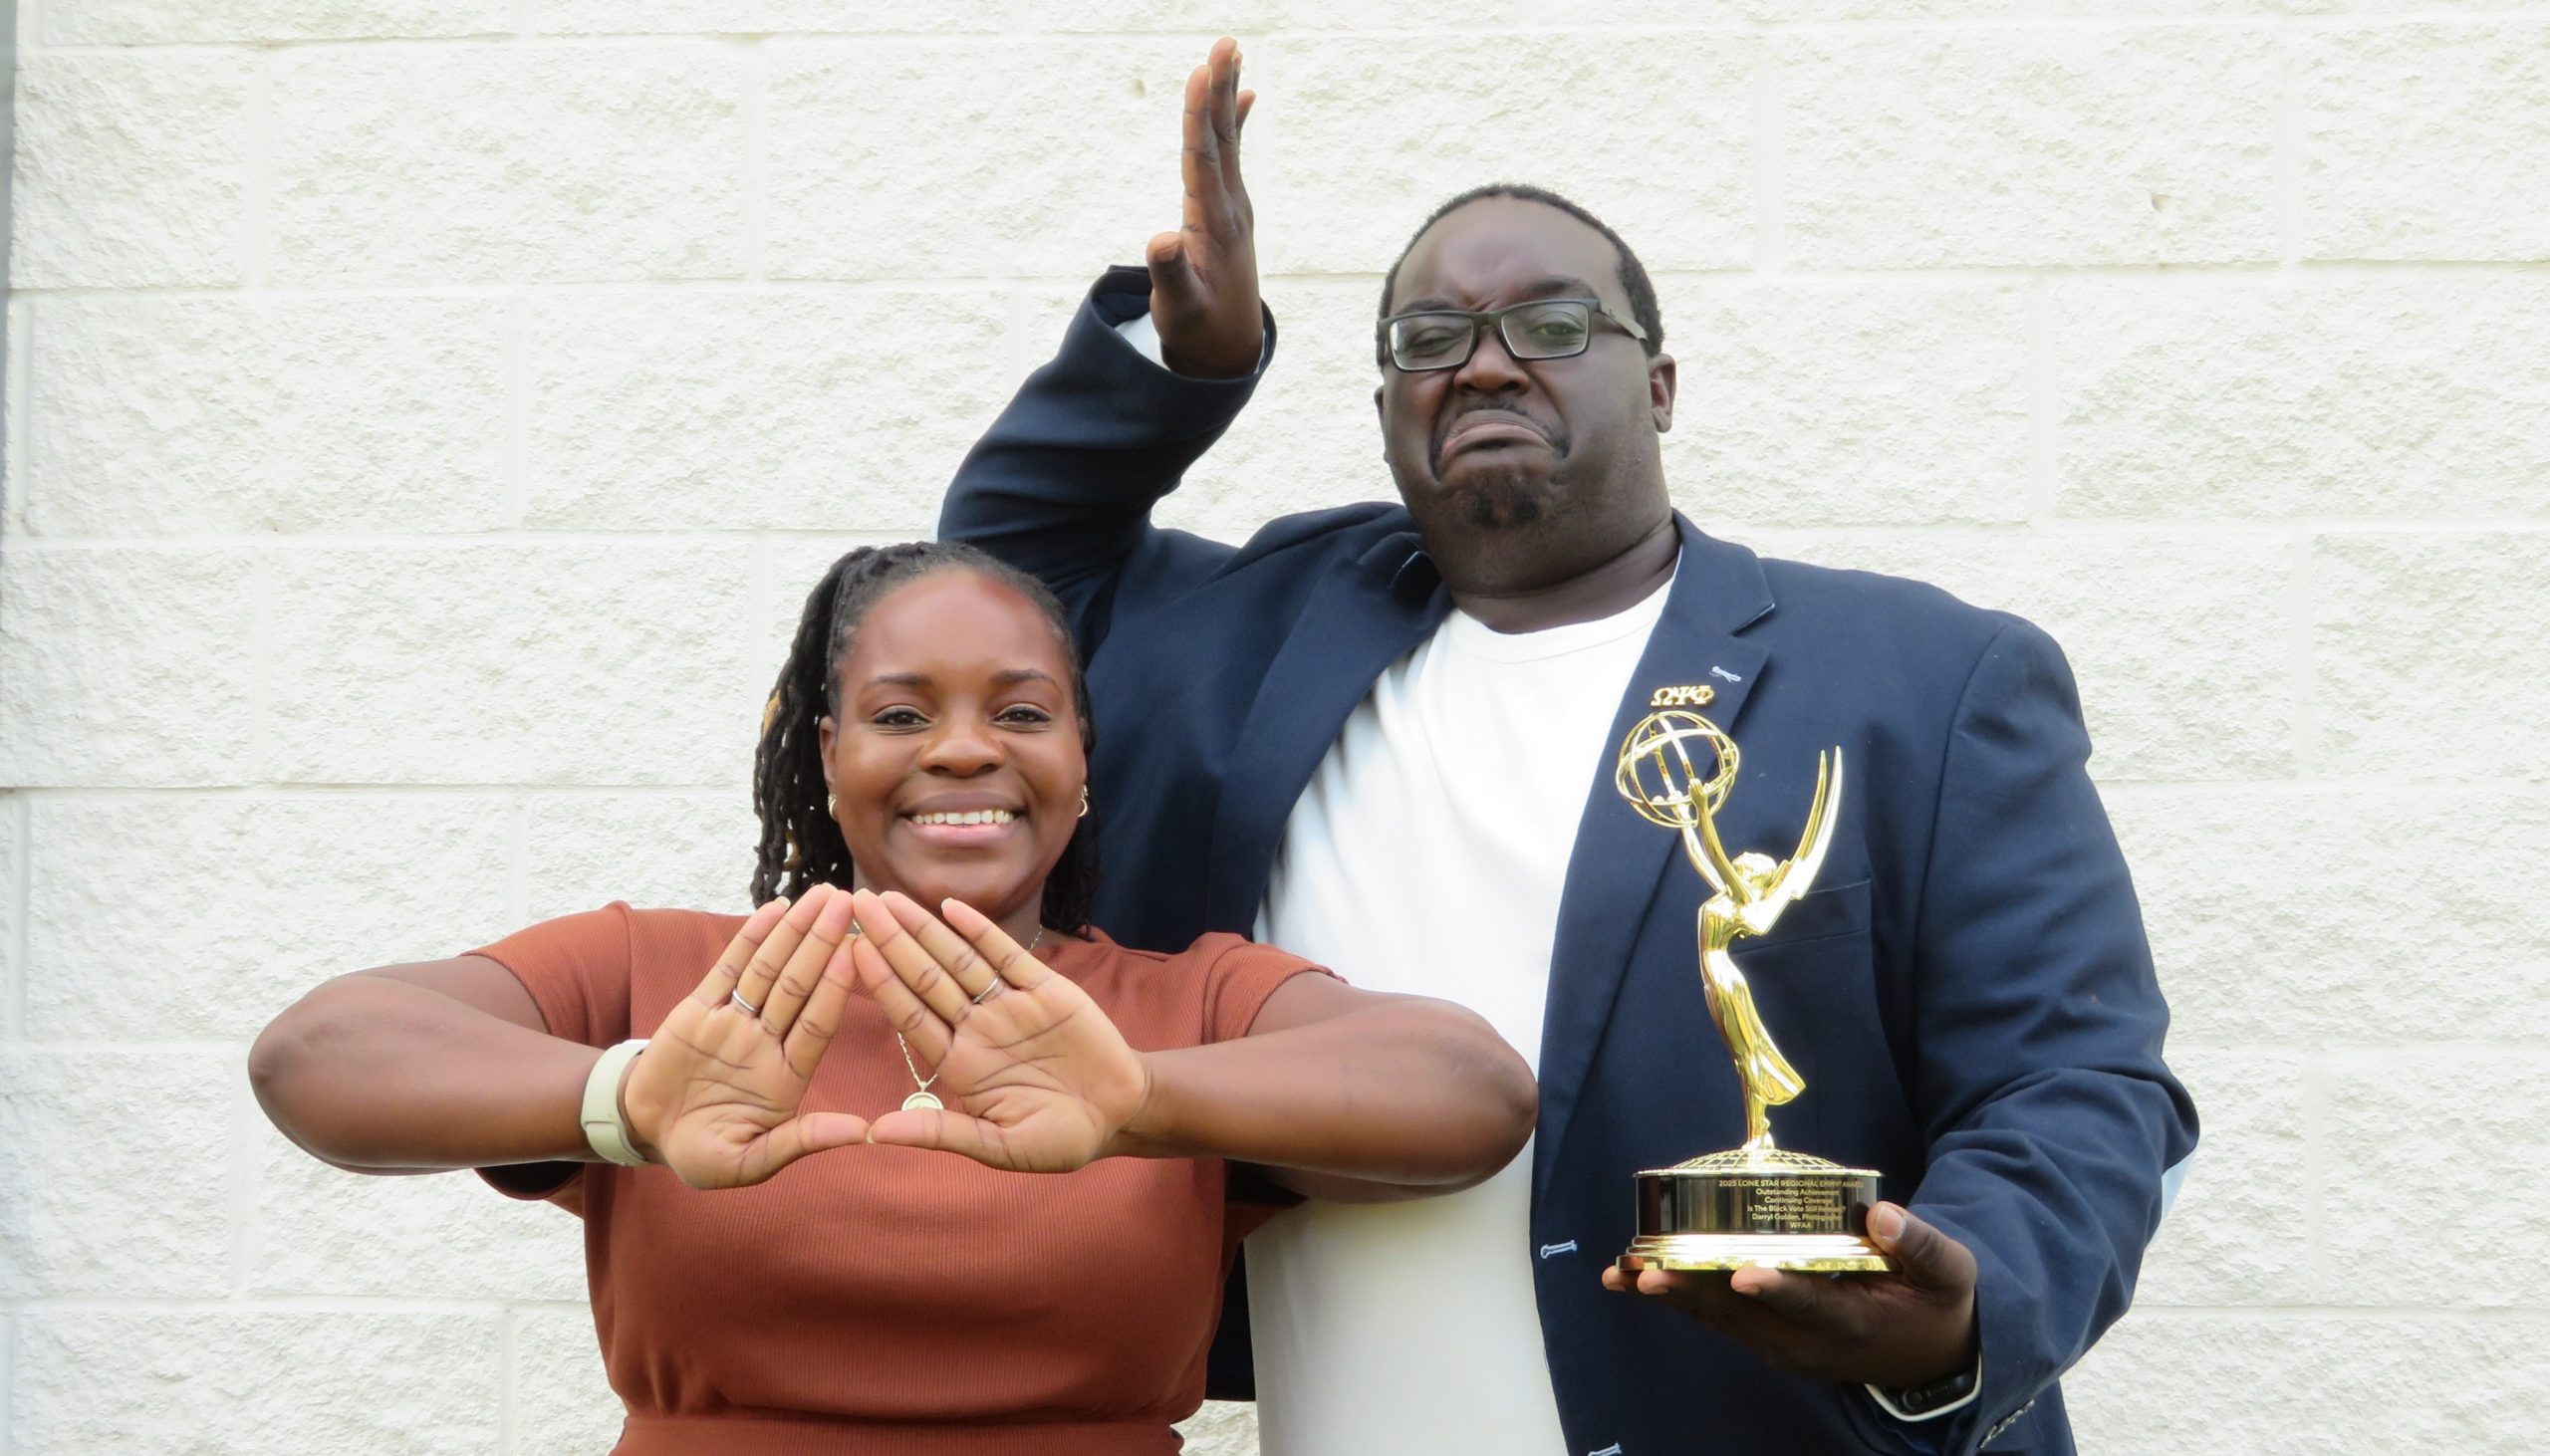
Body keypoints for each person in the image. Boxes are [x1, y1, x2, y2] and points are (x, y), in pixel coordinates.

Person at [938, 39, 2199, 1456]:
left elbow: (2079, 1082)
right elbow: (989, 592)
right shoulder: (1259, 640)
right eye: (1428, 338)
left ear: (1659, 386)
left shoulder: (1924, 679)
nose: (1482, 360)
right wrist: (1190, 363)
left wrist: (1962, 1309)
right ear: (1386, 412)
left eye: (1551, 324)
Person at [248, 540, 1538, 1455]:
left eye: (1022, 710)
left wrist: (1141, 1097)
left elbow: (1473, 1093)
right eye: (902, 711)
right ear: (830, 753)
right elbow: (315, 1055)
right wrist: (624, 1096)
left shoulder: (1178, 1001)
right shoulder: (673, 979)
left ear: (1083, 758)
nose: (963, 747)